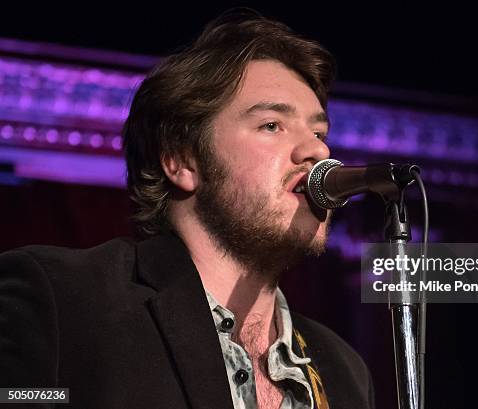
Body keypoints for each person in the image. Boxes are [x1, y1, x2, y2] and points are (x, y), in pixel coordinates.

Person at [0, 9, 375, 409]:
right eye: (272, 125)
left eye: (319, 132)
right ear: (181, 161)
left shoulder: (342, 369)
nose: (318, 150)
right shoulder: (62, 301)